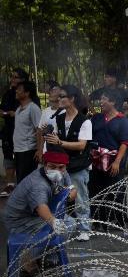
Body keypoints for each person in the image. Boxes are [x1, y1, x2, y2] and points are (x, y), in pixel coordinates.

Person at [41, 85, 93, 241]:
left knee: (80, 197)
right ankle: (64, 226)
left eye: (63, 96)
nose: (59, 99)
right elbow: (55, 138)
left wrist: (60, 142)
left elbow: (82, 145)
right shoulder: (58, 118)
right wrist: (49, 134)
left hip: (78, 165)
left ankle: (85, 228)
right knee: (60, 196)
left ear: (72, 99)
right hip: (62, 165)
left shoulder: (85, 121)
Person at [89, 88, 128, 230]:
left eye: (104, 99)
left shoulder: (122, 120)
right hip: (97, 161)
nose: (100, 102)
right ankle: (97, 221)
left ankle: (118, 221)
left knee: (116, 191)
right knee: (96, 191)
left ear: (113, 102)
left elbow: (125, 143)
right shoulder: (96, 118)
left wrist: (117, 162)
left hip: (114, 162)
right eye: (100, 99)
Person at [0, 68, 29, 196]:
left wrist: (14, 114)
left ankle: (24, 187)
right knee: (8, 158)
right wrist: (7, 113)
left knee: (22, 159)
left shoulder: (29, 95)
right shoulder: (7, 94)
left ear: (23, 80)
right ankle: (9, 186)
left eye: (15, 77)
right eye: (11, 76)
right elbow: (3, 111)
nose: (12, 79)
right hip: (8, 131)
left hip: (23, 134)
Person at [14, 81, 42, 183]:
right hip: (18, 150)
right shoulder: (18, 109)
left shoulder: (33, 108)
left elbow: (39, 129)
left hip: (28, 150)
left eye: (19, 89)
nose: (16, 91)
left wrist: (39, 150)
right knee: (20, 180)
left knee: (27, 182)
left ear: (27, 93)